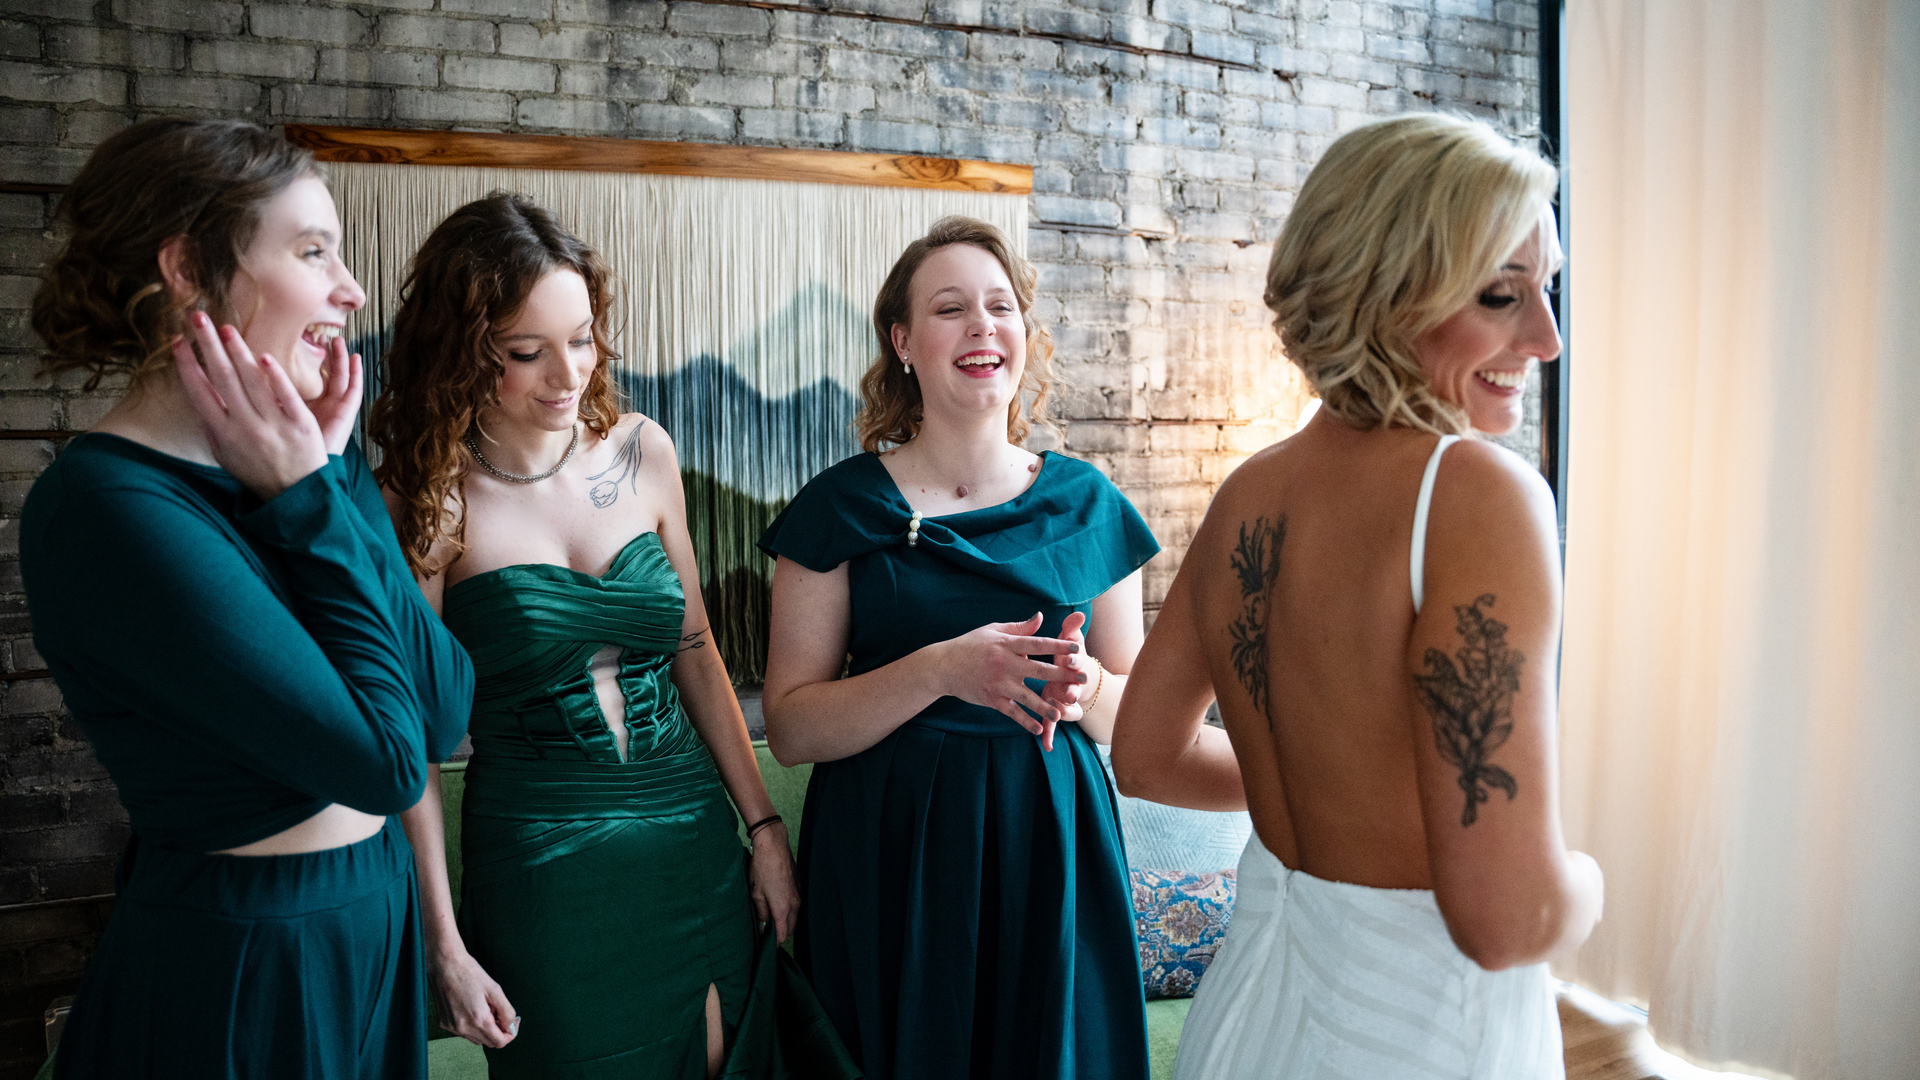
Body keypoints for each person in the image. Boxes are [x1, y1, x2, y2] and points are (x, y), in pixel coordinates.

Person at [1110, 112, 1605, 1079]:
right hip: (1416, 1039)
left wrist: (1338, 782)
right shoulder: (1479, 495)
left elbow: (1147, 753)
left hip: (1245, 1019)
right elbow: (1506, 922)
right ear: (1391, 291)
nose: (1545, 340)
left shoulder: (1251, 491)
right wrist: (1586, 881)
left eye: (1546, 292)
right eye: (1503, 296)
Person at [19, 118, 472, 1079]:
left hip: (367, 907)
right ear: (187, 268)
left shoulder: (298, 469)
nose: (351, 291)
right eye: (314, 252)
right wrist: (313, 497)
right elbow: (391, 768)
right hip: (254, 952)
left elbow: (441, 710)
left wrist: (333, 474)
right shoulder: (106, 510)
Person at [371, 192, 855, 1080]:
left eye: (583, 338)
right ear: (465, 350)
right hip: (544, 866)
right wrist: (443, 942)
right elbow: (403, 734)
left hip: (692, 843)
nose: (568, 374)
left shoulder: (642, 450)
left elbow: (697, 651)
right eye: (528, 351)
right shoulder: (427, 494)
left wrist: (765, 832)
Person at [758, 215, 1159, 1080]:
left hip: (1049, 844)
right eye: (951, 309)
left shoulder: (1090, 506)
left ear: (1023, 334)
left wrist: (1088, 687)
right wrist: (942, 669)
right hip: (891, 848)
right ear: (903, 342)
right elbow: (790, 726)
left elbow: (1134, 717)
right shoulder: (838, 510)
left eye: (1000, 306)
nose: (982, 326)